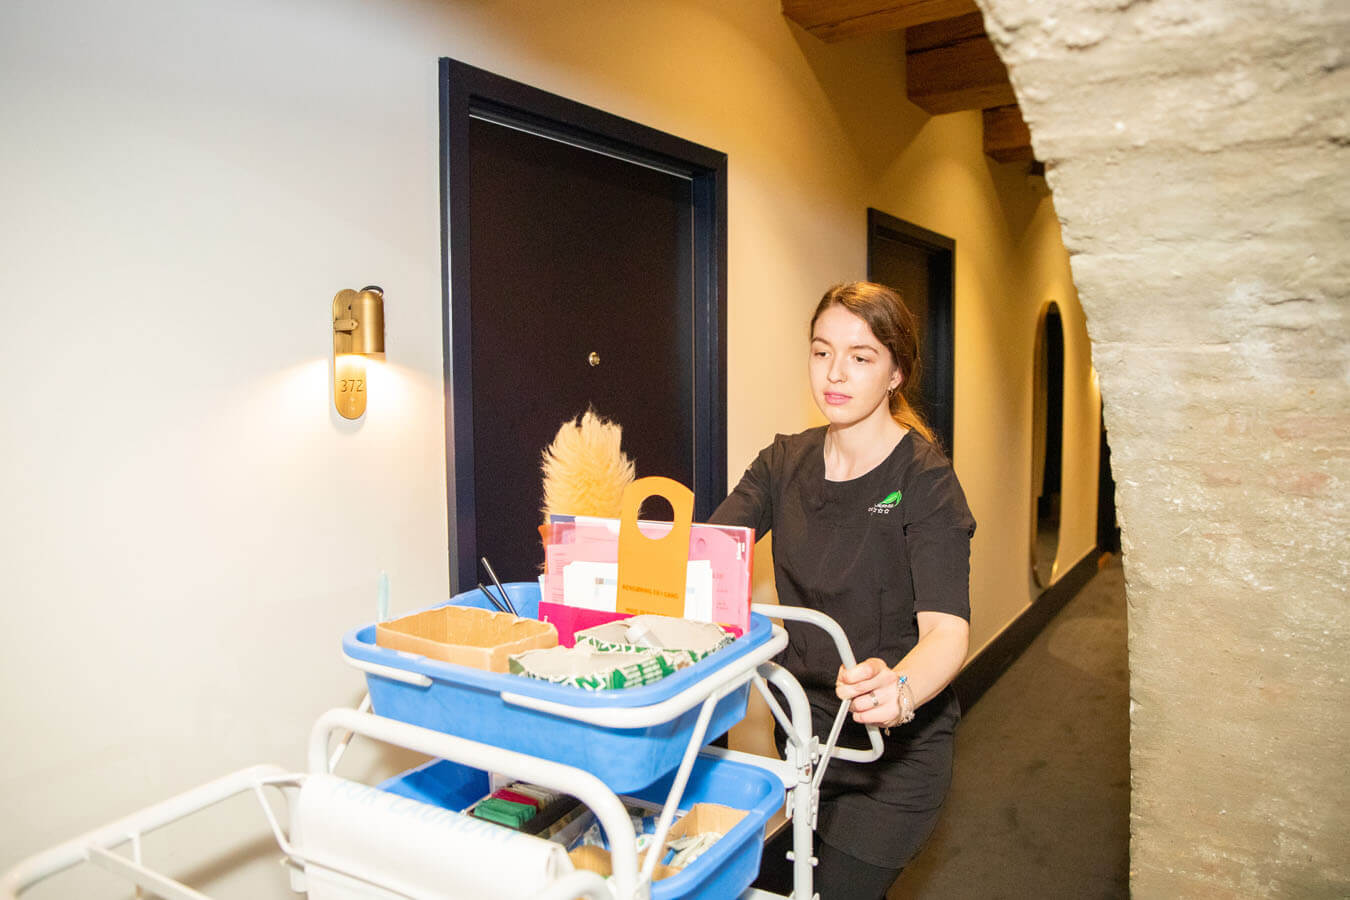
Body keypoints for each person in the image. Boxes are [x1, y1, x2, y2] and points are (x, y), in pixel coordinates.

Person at [710, 281, 975, 899]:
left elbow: (947, 630)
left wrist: (900, 688)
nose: (834, 373)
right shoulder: (783, 463)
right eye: (821, 351)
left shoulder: (926, 480)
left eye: (860, 356)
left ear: (895, 373)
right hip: (805, 733)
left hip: (894, 753)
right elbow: (709, 556)